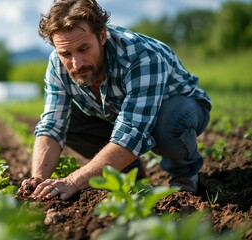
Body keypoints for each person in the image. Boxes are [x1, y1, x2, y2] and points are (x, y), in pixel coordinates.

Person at [18, 0, 211, 201]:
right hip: (116, 113)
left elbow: (131, 133)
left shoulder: (141, 57)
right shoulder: (57, 64)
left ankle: (184, 177)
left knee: (169, 120)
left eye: (83, 49)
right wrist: (37, 180)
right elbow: (51, 126)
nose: (76, 63)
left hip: (181, 108)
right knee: (67, 119)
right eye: (66, 53)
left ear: (102, 35)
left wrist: (73, 181)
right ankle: (127, 169)